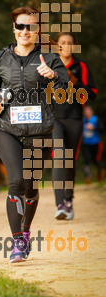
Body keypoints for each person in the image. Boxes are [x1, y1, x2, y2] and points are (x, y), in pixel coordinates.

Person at [0, 6, 68, 263]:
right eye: (20, 26)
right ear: (14, 28)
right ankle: (18, 242)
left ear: (37, 30)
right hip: (6, 128)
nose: (25, 31)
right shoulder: (1, 57)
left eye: (30, 26)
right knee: (17, 181)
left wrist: (52, 75)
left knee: (31, 187)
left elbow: (65, 88)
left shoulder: (50, 58)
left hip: (39, 131)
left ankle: (26, 230)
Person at [53, 33, 98, 220]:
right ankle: (60, 205)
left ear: (74, 46)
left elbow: (92, 94)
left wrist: (75, 82)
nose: (66, 46)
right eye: (62, 43)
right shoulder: (49, 64)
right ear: (57, 46)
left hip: (74, 118)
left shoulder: (81, 66)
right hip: (53, 118)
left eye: (70, 43)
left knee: (69, 161)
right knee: (59, 156)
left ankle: (68, 200)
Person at [82, 105, 104, 183]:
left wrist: (94, 128)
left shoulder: (96, 119)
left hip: (96, 143)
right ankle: (88, 177)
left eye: (88, 110)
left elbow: (102, 129)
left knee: (96, 160)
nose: (87, 112)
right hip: (86, 144)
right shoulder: (83, 120)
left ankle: (100, 174)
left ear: (92, 112)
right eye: (86, 111)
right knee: (86, 160)